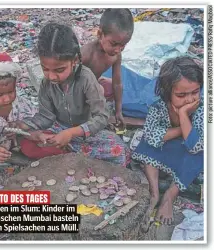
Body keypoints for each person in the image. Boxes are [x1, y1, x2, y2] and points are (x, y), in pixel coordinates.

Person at [12, 22, 131, 168]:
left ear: (74, 60)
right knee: (27, 142)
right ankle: (69, 154)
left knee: (118, 150)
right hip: (59, 130)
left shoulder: (86, 79)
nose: (52, 76)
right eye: (45, 69)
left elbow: (101, 117)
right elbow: (46, 117)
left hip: (84, 131)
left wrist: (71, 133)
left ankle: (66, 154)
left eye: (59, 70)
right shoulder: (46, 84)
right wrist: (24, 125)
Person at [131, 56, 203, 225]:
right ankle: (154, 193)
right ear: (167, 91)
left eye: (195, 92)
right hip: (171, 145)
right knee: (148, 143)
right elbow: (151, 136)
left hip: (190, 152)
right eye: (181, 95)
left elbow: (194, 146)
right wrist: (181, 131)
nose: (190, 99)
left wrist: (184, 114)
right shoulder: (159, 107)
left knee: (199, 156)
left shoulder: (200, 111)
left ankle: (169, 196)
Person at [0, 53, 38, 189]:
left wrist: (21, 127)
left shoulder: (19, 103)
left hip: (8, 148)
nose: (7, 99)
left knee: (32, 159)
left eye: (10, 92)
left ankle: (8, 157)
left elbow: (33, 121)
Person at [81, 8, 134, 128]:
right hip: (79, 90)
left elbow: (117, 83)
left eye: (122, 46)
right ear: (100, 34)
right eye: (114, 44)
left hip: (93, 85)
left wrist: (118, 111)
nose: (117, 49)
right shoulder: (87, 53)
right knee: (100, 89)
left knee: (111, 86)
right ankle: (89, 119)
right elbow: (70, 82)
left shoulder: (116, 55)